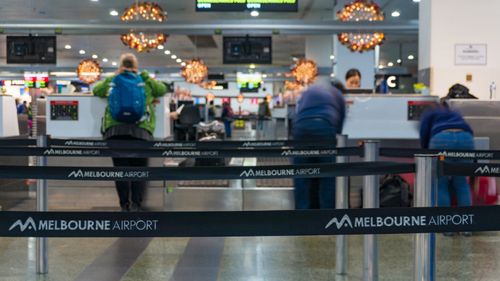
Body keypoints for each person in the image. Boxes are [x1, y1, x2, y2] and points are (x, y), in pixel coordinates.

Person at [93, 53, 168, 212]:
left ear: (120, 65)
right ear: (136, 65)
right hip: (141, 132)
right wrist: (145, 75)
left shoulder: (114, 80)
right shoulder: (143, 81)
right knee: (139, 171)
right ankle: (136, 204)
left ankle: (124, 205)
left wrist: (113, 76)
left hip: (116, 132)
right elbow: (162, 89)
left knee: (120, 171)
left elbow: (97, 90)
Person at [419, 101, 474, 236]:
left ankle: (447, 227)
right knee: (461, 183)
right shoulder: (454, 112)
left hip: (441, 140)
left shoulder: (430, 112)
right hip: (465, 138)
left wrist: (426, 153)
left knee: (441, 183)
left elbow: (424, 133)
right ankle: (466, 227)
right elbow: (469, 129)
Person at [293, 85, 345, 209]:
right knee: (328, 176)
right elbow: (340, 123)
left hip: (301, 128)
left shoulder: (310, 90)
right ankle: (327, 216)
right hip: (324, 127)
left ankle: (302, 214)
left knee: (301, 175)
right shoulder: (338, 94)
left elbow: (297, 111)